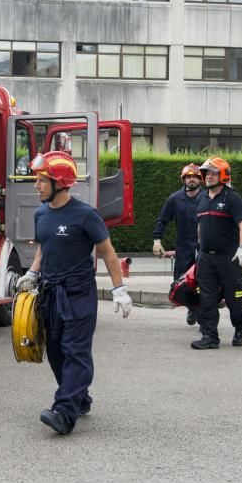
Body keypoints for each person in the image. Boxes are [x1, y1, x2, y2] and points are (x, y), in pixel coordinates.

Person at [15, 151, 132, 436]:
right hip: (50, 292)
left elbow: (106, 251)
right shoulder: (41, 213)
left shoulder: (86, 215)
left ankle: (64, 412)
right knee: (55, 351)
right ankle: (80, 399)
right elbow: (44, 245)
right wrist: (32, 272)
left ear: (60, 182)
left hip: (78, 293)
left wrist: (119, 289)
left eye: (42, 180)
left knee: (75, 352)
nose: (36, 185)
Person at [192, 157, 242, 350]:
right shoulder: (201, 198)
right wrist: (198, 249)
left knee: (234, 297)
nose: (208, 176)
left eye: (213, 173)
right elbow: (200, 225)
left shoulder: (231, 197)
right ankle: (209, 336)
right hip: (206, 258)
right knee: (207, 298)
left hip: (228, 258)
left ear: (223, 175)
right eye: (206, 173)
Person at [152, 163, 203, 325]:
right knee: (182, 283)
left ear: (200, 179)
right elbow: (162, 220)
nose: (191, 180)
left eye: (195, 176)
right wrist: (157, 240)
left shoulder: (207, 197)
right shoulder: (175, 199)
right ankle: (192, 308)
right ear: (183, 180)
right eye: (188, 177)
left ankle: (204, 310)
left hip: (204, 249)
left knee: (205, 281)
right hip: (184, 249)